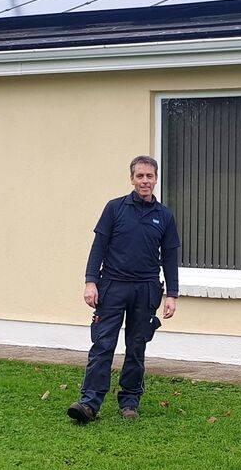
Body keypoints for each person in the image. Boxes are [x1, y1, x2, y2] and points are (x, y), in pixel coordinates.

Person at [68, 155, 181, 423]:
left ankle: (130, 402)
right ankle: (89, 403)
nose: (145, 181)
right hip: (112, 287)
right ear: (131, 179)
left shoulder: (164, 216)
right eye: (140, 176)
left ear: (156, 179)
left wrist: (172, 295)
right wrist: (90, 281)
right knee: (103, 345)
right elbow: (99, 248)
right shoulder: (114, 209)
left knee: (136, 347)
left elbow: (170, 258)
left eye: (149, 176)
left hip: (146, 290)